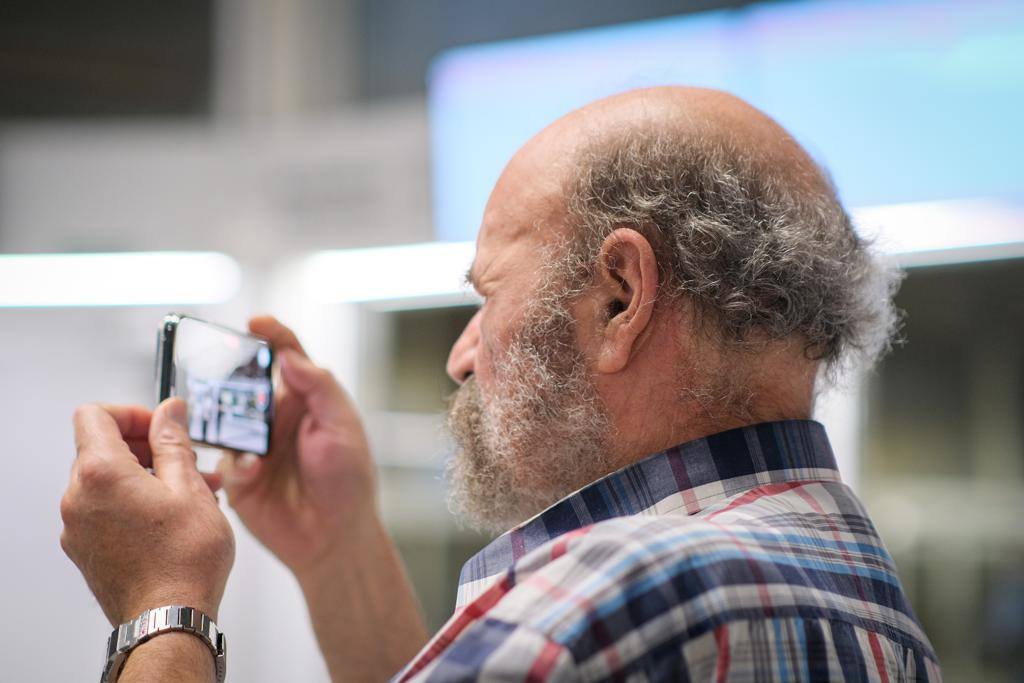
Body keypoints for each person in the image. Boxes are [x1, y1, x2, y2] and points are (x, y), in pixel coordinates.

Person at [59, 87, 941, 681]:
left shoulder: (605, 599)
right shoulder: (865, 591)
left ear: (619, 298)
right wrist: (338, 549)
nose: (461, 353)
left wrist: (161, 604)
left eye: (488, 295)